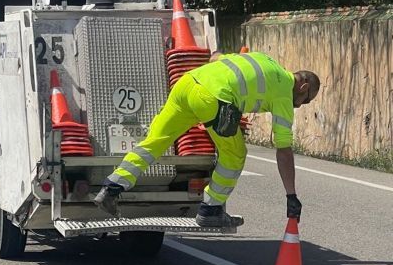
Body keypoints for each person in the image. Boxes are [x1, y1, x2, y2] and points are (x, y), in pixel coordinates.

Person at [94, 51, 321, 227]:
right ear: (303, 86)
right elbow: (284, 150)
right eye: (305, 100)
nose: (300, 105)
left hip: (187, 84)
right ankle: (211, 210)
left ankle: (112, 187)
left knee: (155, 141)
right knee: (235, 154)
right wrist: (291, 195)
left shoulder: (264, 58)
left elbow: (216, 57)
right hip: (212, 98)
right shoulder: (284, 92)